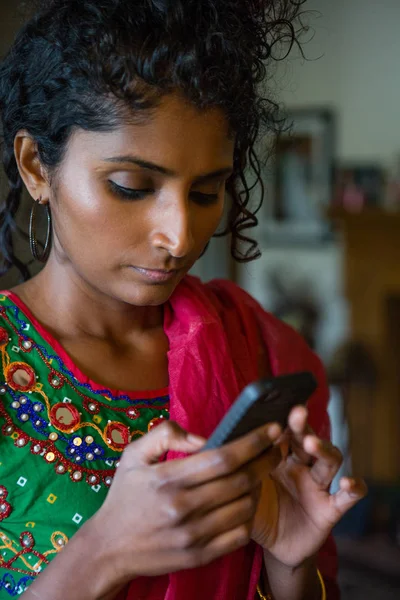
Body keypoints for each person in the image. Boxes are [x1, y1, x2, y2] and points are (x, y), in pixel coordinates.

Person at [0, 1, 366, 599]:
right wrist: (104, 550)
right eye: (131, 187)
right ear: (37, 166)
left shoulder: (256, 344)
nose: (180, 237)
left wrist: (291, 563)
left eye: (204, 192)